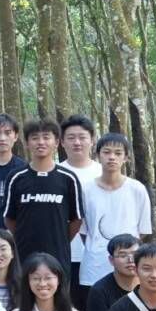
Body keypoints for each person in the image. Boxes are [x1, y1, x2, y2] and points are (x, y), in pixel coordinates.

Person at [4, 119, 84, 278]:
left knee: (57, 292)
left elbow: (77, 219)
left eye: (46, 137)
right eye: (35, 138)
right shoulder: (16, 177)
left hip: (58, 256)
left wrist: (60, 239)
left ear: (56, 142)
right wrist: (23, 237)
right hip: (24, 256)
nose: (41, 142)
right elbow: (9, 218)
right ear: (27, 143)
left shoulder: (68, 178)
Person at [79, 133, 153, 304]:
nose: (112, 157)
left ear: (126, 157)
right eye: (106, 152)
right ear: (97, 155)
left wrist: (126, 253)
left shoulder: (137, 189)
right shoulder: (86, 190)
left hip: (130, 268)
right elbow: (83, 231)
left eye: (118, 153)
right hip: (94, 266)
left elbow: (142, 231)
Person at [59, 114, 102, 297]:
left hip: (99, 255)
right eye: (71, 137)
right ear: (62, 142)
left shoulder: (103, 172)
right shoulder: (55, 173)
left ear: (92, 140)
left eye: (82, 137)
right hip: (65, 254)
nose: (77, 142)